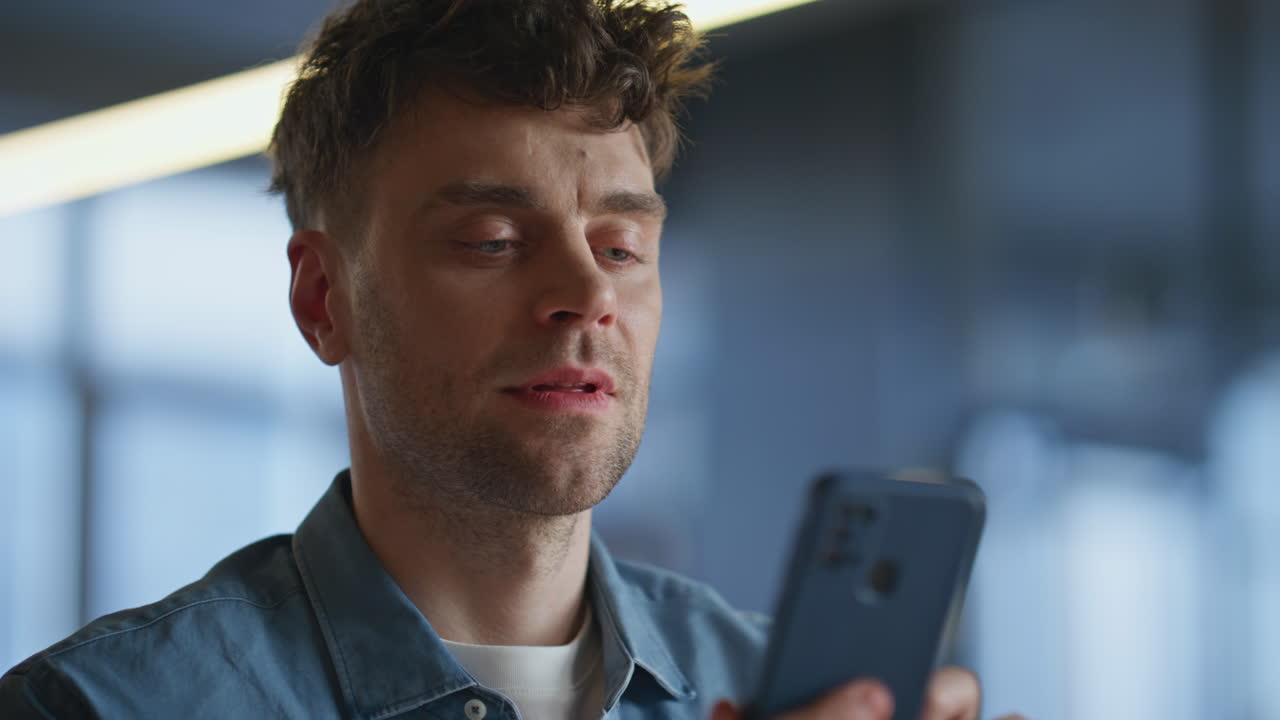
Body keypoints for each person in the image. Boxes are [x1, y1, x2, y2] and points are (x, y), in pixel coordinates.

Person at [0, 1, 1023, 718]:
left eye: (620, 248)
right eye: (491, 241)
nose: (586, 295)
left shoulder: (765, 691)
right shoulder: (105, 707)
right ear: (324, 300)